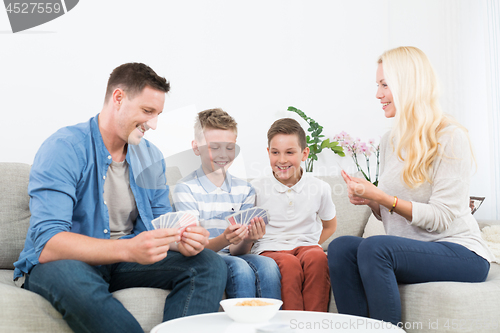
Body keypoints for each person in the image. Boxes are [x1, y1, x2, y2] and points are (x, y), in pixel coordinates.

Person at [13, 63, 227, 333]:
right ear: (118, 98)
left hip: (124, 262)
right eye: (147, 111)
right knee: (71, 276)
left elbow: (163, 225)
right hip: (66, 262)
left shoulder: (151, 157)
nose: (153, 124)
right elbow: (48, 243)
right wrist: (128, 249)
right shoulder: (64, 147)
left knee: (208, 263)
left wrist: (181, 241)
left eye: (158, 114)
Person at [327, 46, 494, 326]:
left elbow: (441, 218)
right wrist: (373, 202)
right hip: (411, 252)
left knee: (375, 247)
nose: (378, 94)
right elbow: (392, 213)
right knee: (342, 247)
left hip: (460, 252)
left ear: (407, 85)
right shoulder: (390, 140)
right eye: (377, 85)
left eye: (384, 85)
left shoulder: (450, 137)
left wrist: (383, 197)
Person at [173, 108, 281, 300]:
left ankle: (269, 326)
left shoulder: (244, 190)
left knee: (269, 265)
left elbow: (237, 250)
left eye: (229, 147)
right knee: (240, 267)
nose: (223, 154)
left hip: (231, 255)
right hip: (203, 256)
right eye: (214, 147)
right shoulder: (185, 189)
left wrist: (247, 239)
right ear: (196, 148)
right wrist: (224, 238)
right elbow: (194, 248)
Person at [250, 118, 337, 311]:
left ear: (304, 153)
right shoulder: (255, 188)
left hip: (306, 246)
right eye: (275, 152)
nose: (282, 160)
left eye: (290, 152)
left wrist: (310, 242)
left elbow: (330, 225)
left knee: (318, 257)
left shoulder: (320, 188)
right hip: (270, 248)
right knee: (289, 264)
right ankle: (292, 326)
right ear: (268, 153)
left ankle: (314, 325)